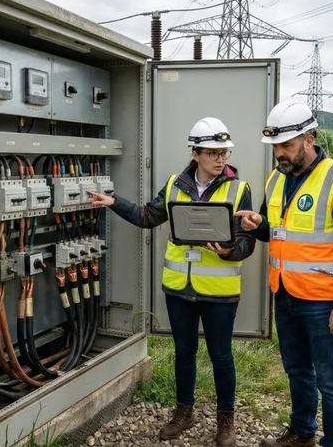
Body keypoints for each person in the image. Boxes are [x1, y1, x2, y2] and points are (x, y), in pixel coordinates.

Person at [88, 117, 256, 447]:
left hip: (219, 293)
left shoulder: (239, 189)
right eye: (212, 152)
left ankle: (226, 421)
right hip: (179, 289)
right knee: (184, 352)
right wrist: (114, 202)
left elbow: (247, 243)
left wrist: (227, 251)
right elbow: (147, 216)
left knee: (221, 356)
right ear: (195, 153)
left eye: (224, 152)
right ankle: (184, 413)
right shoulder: (175, 185)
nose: (220, 159)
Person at [234, 98, 333, 447]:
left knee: (331, 380)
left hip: (324, 302)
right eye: (276, 146)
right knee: (297, 371)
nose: (280, 153)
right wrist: (257, 224)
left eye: (287, 145)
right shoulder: (277, 179)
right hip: (286, 294)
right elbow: (272, 230)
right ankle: (302, 432)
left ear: (309, 139)